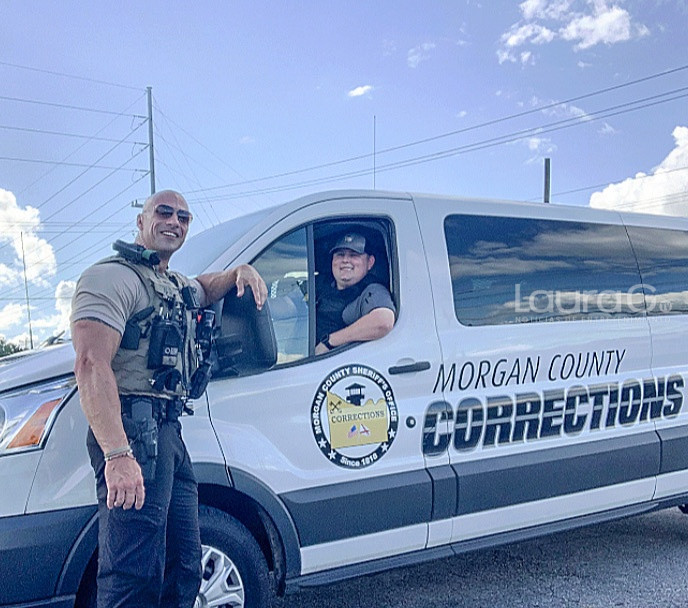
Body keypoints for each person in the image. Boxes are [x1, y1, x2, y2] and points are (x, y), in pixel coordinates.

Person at [70, 189, 267, 608]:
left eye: (183, 217)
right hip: (132, 433)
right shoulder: (111, 277)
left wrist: (239, 272)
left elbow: (204, 288)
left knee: (184, 565)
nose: (174, 222)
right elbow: (90, 364)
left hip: (168, 433)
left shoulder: (172, 284)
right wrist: (117, 454)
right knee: (132, 575)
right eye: (164, 212)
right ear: (140, 221)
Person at [315, 232, 396, 355]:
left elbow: (383, 321)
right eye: (340, 255)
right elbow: (291, 303)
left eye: (354, 255)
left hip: (335, 362)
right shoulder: (320, 284)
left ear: (370, 262)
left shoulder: (372, 291)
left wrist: (329, 342)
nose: (345, 260)